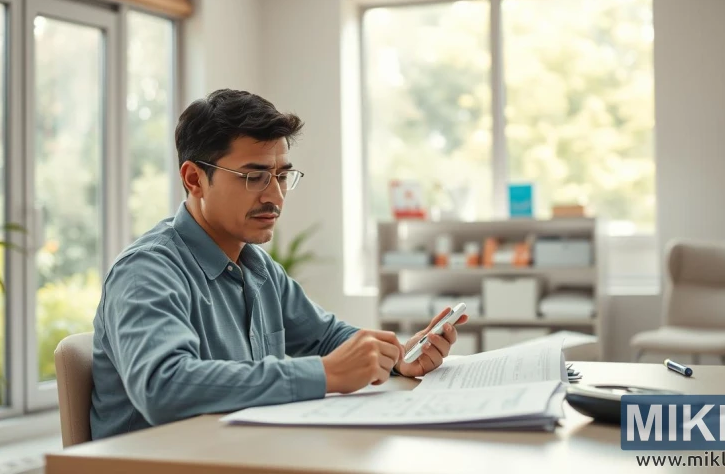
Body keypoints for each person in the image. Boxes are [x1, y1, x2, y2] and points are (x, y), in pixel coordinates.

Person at [90, 89, 468, 439]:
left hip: (238, 454)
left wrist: (397, 358)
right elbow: (164, 387)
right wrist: (326, 374)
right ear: (194, 179)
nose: (274, 196)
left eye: (282, 175)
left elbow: (326, 337)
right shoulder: (146, 272)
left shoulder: (255, 266)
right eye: (254, 176)